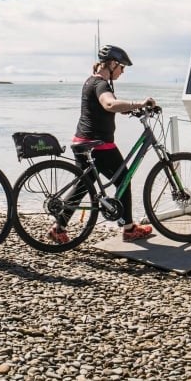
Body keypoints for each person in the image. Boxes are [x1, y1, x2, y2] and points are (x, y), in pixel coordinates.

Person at [50, 44, 156, 244]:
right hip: (98, 145)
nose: (123, 72)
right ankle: (129, 228)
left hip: (81, 141)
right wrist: (139, 103)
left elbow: (103, 108)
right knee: (123, 179)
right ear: (112, 64)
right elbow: (108, 104)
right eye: (122, 67)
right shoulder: (101, 84)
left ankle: (58, 227)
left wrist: (128, 110)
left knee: (83, 185)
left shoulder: (90, 81)